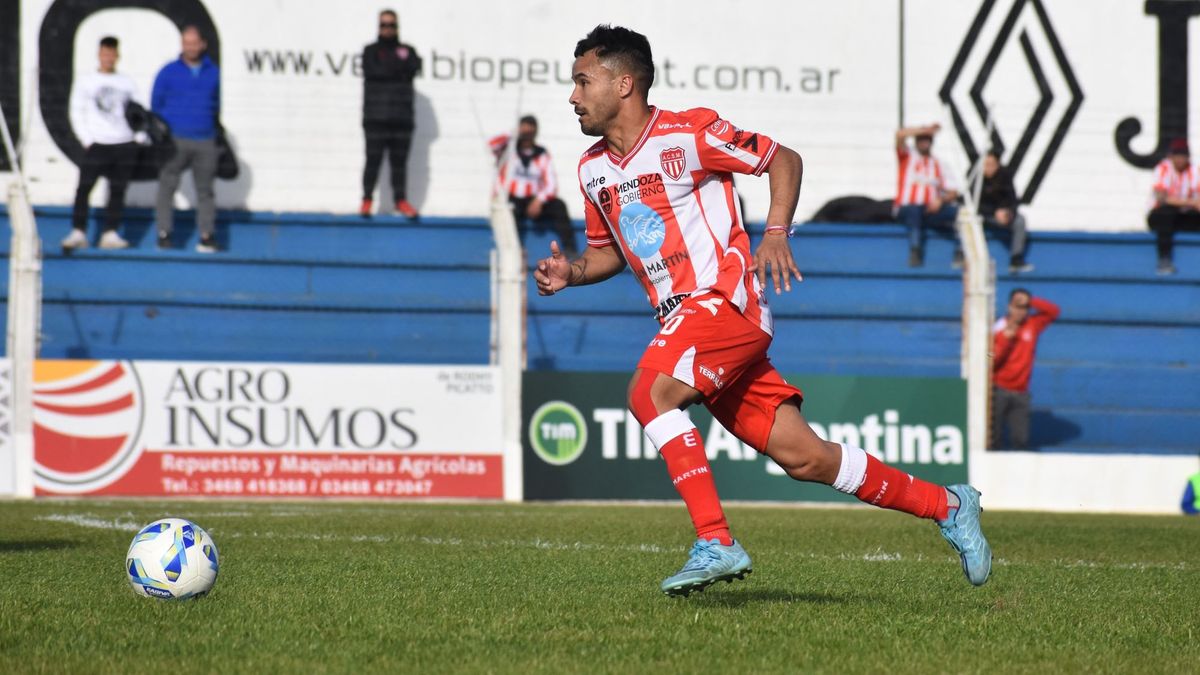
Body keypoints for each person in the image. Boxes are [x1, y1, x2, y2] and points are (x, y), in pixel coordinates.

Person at [535, 24, 992, 596]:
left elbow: (782, 159)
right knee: (807, 459)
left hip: (726, 303)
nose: (572, 95)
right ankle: (948, 504)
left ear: (624, 83)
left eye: (582, 81)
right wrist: (572, 273)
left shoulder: (688, 133)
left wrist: (775, 232)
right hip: (689, 325)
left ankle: (716, 540)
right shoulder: (592, 170)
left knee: (647, 393)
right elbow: (604, 251)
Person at [63, 36, 137, 252]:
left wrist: (137, 136)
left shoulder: (127, 82)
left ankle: (110, 233)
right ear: (99, 54)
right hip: (98, 143)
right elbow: (76, 110)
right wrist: (87, 138)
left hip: (123, 142)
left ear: (117, 55)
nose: (108, 58)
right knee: (84, 188)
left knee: (117, 189)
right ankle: (79, 231)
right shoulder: (86, 80)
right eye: (105, 53)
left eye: (112, 54)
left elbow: (140, 110)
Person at [152, 25, 220, 253]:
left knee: (205, 190)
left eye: (193, 42)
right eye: (186, 43)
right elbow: (156, 104)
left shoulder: (214, 72)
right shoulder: (168, 71)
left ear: (202, 44)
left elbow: (218, 103)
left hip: (205, 139)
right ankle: (164, 233)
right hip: (175, 140)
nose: (190, 47)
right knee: (167, 185)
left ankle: (206, 235)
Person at [360, 9, 422, 220]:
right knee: (372, 160)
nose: (387, 29)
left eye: (391, 25)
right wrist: (398, 70)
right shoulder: (370, 51)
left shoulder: (407, 50)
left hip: (402, 118)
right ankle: (367, 199)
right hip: (375, 117)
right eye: (383, 25)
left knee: (399, 163)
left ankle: (401, 200)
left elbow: (414, 67)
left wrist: (393, 69)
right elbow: (375, 72)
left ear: (397, 27)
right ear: (378, 27)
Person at [488, 115, 578, 257]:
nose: (526, 137)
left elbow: (551, 184)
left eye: (530, 133)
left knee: (559, 205)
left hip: (534, 200)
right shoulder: (508, 151)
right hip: (513, 199)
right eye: (524, 133)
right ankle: (515, 251)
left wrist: (539, 200)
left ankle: (570, 249)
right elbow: (491, 145)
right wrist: (513, 133)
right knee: (509, 211)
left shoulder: (541, 154)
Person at [991, 288, 1059, 450]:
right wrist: (1004, 342)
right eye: (1017, 306)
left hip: (1021, 391)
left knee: (1021, 439)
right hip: (998, 389)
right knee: (993, 437)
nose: (1021, 311)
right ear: (1009, 306)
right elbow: (987, 358)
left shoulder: (1032, 325)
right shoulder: (998, 328)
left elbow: (1053, 311)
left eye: (1025, 307)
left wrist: (1032, 300)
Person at [894, 124, 960, 268]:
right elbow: (900, 135)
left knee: (960, 213)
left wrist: (941, 200)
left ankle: (960, 251)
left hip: (929, 210)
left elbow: (954, 192)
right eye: (921, 139)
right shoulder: (908, 157)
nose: (924, 142)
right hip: (907, 208)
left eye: (927, 139)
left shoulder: (939, 164)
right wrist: (925, 130)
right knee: (914, 210)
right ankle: (915, 250)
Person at [1146, 138, 1200, 276]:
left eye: (1184, 156)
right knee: (1166, 213)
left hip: (1182, 217)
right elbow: (1162, 198)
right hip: (1160, 216)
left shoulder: (1194, 171)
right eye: (1178, 156)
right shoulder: (1163, 168)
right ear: (1171, 156)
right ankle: (1164, 259)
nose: (1181, 159)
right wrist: (1191, 202)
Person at [980, 149, 1033, 274]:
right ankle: (961, 255)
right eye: (985, 165)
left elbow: (1013, 200)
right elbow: (973, 204)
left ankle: (1016, 258)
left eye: (991, 165)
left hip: (1002, 215)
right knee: (966, 219)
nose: (988, 169)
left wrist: (1008, 213)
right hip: (983, 215)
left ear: (998, 165)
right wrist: (994, 212)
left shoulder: (1005, 176)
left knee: (1020, 220)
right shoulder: (976, 179)